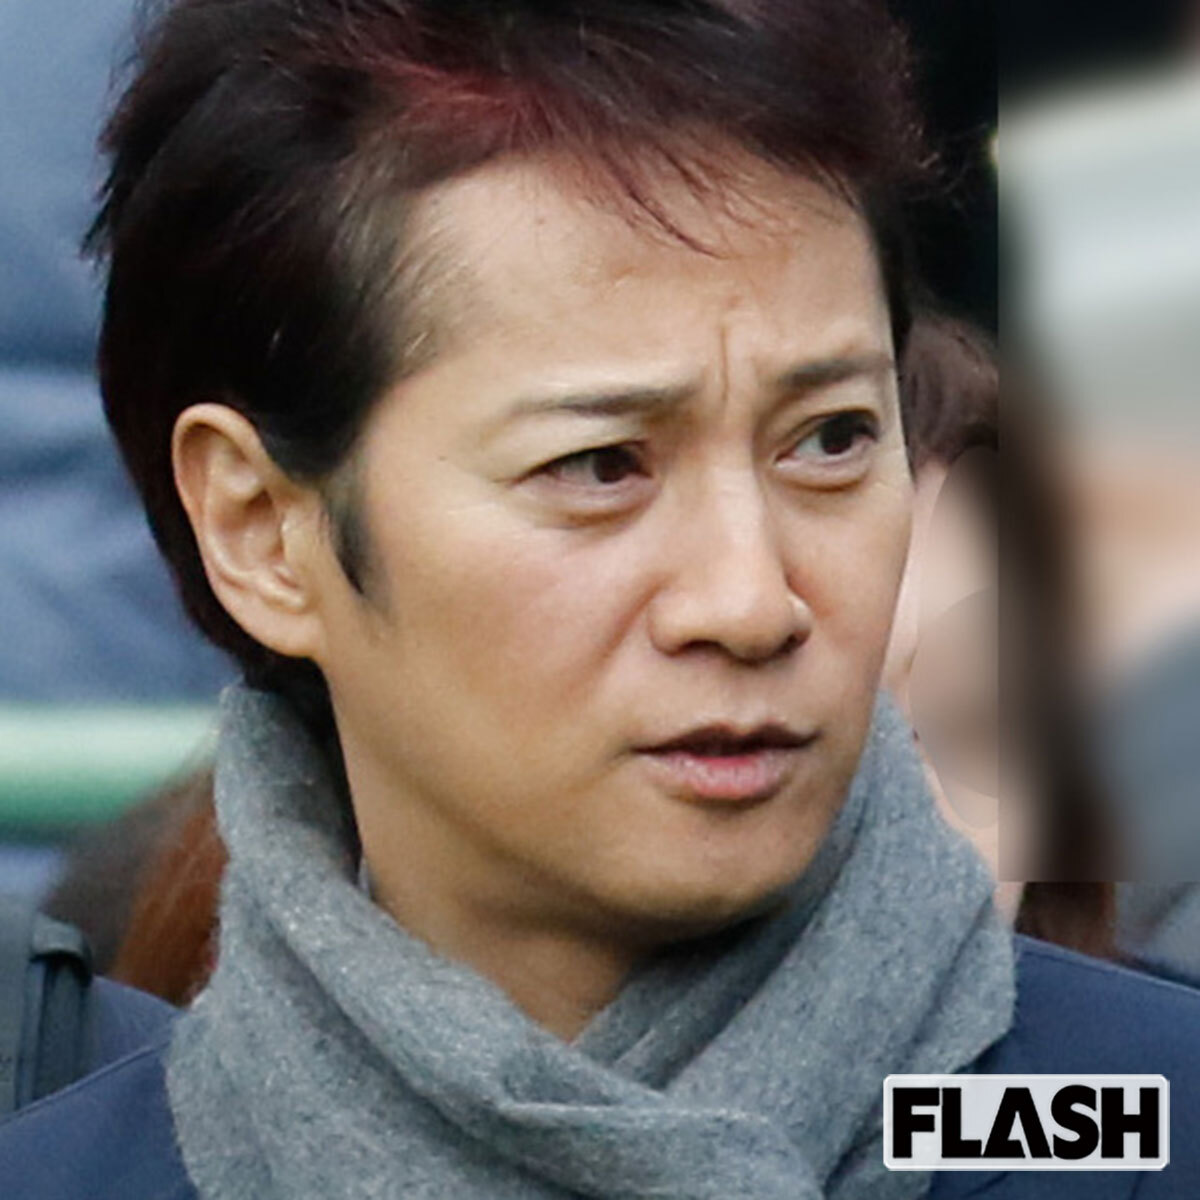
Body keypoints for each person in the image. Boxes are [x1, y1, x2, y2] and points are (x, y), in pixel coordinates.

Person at [1, 3, 1199, 1199]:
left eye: (830, 440)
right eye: (599, 467)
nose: (750, 600)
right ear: (260, 530)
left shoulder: (1139, 1121)